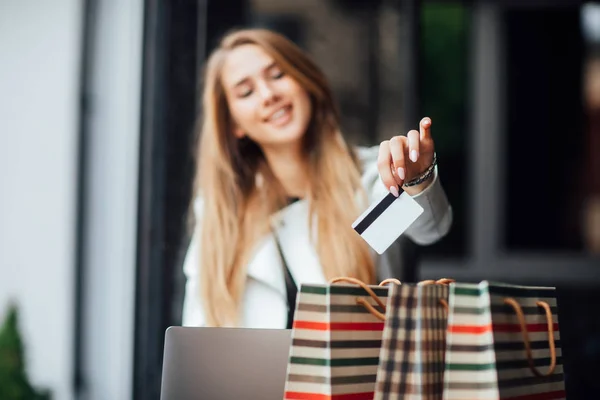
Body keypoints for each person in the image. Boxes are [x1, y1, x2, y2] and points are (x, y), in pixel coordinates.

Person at [181, 28, 452, 329]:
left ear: (305, 81)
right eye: (246, 92)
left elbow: (429, 228)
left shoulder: (367, 177)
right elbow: (199, 325)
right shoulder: (220, 210)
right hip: (250, 377)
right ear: (234, 125)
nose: (269, 95)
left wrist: (417, 181)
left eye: (278, 75)